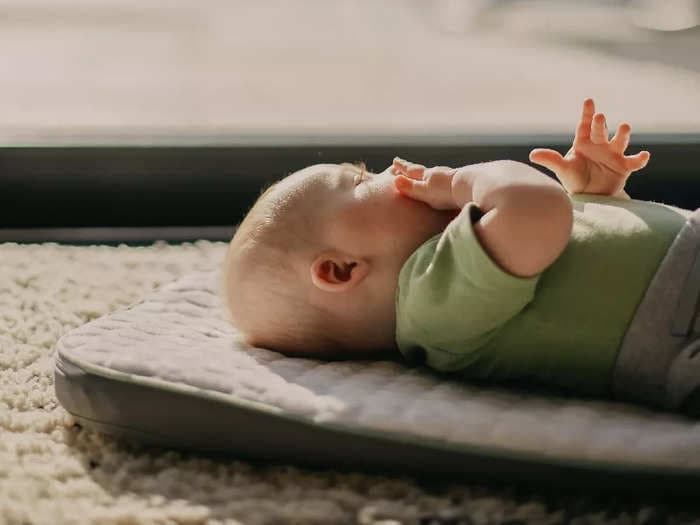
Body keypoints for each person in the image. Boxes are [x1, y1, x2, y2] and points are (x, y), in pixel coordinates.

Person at [222, 99, 700, 415]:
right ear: (341, 269)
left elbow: (571, 243)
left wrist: (595, 195)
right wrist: (462, 180)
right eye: (362, 180)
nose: (390, 167)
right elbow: (537, 212)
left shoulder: (462, 254)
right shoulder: (431, 303)